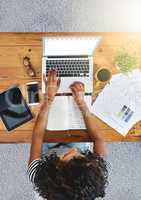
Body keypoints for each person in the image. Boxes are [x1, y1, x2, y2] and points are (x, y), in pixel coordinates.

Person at [27, 68, 108, 200]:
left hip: (48, 154)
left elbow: (37, 136)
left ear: (57, 169)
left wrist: (48, 99)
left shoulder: (38, 175)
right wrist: (82, 103)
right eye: (80, 157)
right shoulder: (95, 173)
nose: (74, 150)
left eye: (70, 156)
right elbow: (98, 139)